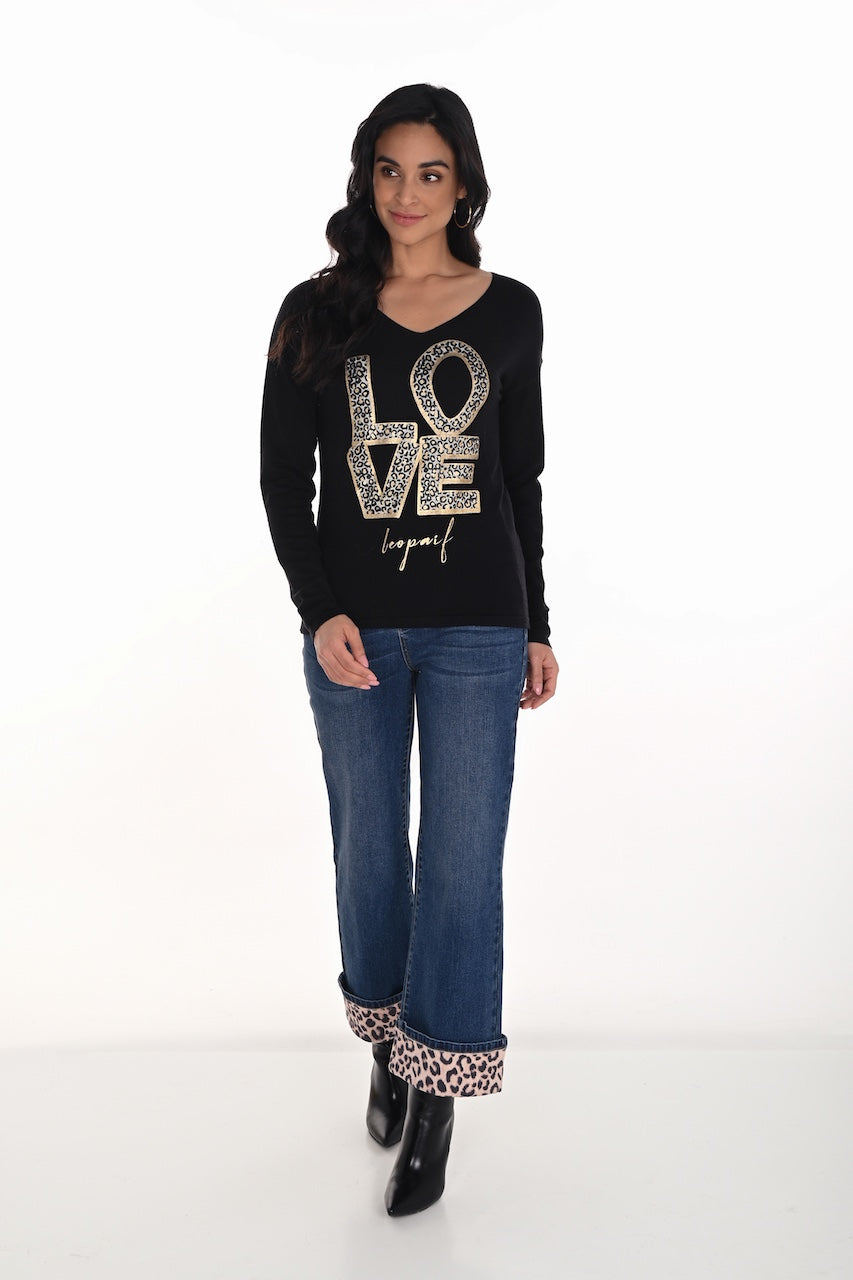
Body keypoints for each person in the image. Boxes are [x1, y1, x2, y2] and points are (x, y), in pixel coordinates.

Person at [260, 83, 558, 1217]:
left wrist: (537, 622)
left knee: (465, 858)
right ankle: (387, 1038)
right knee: (371, 853)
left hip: (479, 623)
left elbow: (518, 477)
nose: (407, 193)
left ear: (463, 185)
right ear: (365, 177)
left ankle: (436, 1094)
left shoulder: (510, 311)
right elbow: (282, 480)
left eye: (430, 172)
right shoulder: (315, 310)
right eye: (389, 169)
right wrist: (317, 609)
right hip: (357, 630)